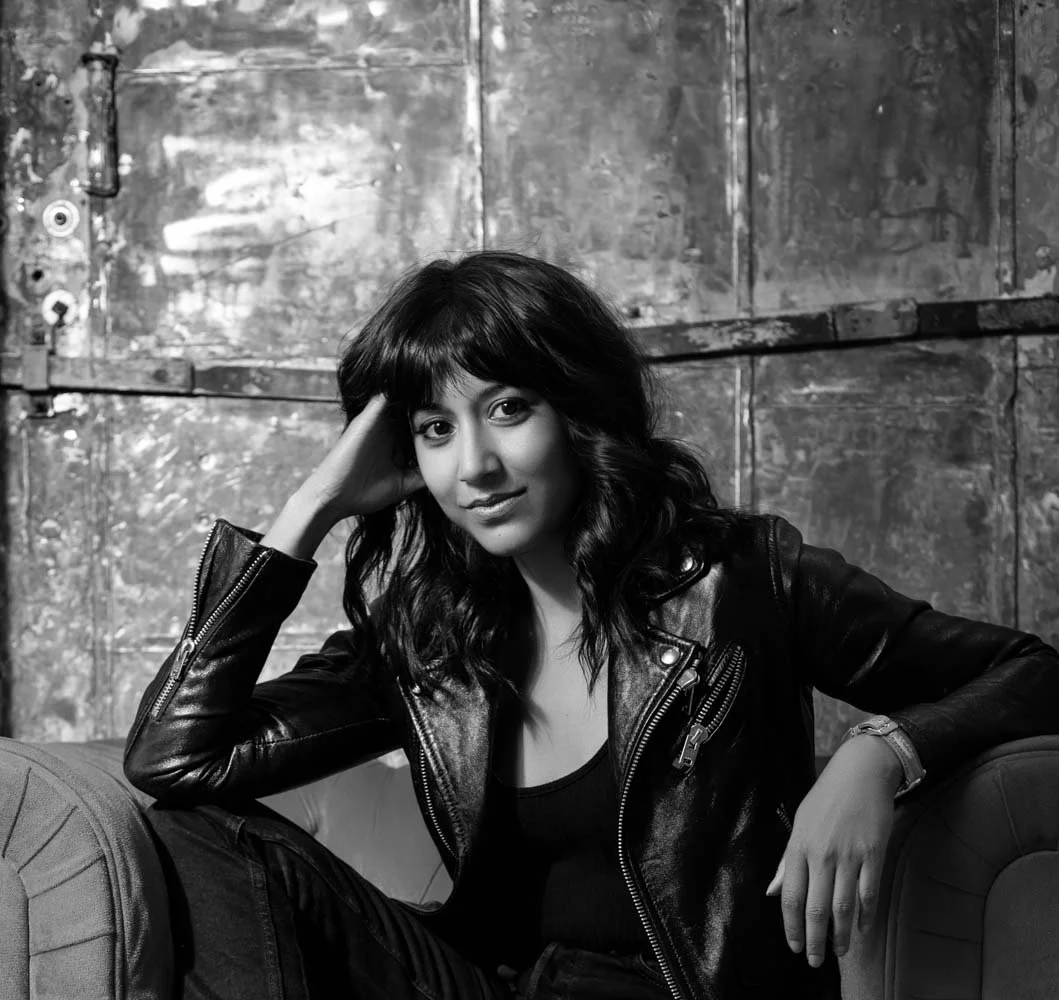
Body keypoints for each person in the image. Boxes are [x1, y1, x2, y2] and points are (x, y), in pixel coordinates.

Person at [124, 250, 1059, 1000]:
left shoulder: (738, 583)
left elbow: (1033, 669)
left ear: (577, 411)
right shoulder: (431, 643)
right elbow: (178, 760)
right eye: (434, 430)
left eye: (506, 409)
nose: (476, 466)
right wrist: (313, 507)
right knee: (200, 838)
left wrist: (876, 753)